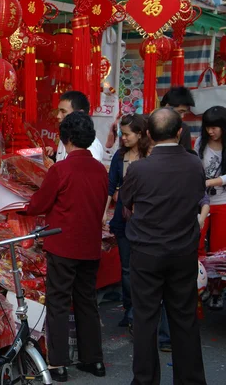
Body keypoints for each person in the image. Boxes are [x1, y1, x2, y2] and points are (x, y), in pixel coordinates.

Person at [121, 107, 206, 385]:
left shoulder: (139, 168)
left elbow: (127, 203)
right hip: (182, 249)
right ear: (180, 133)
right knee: (184, 318)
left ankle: (145, 380)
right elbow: (196, 199)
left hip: (147, 250)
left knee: (146, 319)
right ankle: (191, 380)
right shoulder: (194, 164)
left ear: (147, 134)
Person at [26, 112, 108, 382]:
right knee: (86, 301)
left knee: (59, 302)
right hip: (90, 244)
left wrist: (24, 207)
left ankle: (58, 364)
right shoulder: (99, 169)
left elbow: (39, 204)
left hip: (63, 244)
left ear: (67, 138)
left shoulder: (60, 169)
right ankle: (94, 360)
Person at [103, 114, 150, 328]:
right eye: (122, 134)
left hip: (146, 219)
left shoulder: (149, 155)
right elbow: (110, 186)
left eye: (127, 134)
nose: (123, 138)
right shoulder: (119, 156)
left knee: (143, 267)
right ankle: (129, 308)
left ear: (140, 134)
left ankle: (141, 309)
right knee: (126, 267)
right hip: (123, 217)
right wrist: (105, 213)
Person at [194, 105, 226, 310]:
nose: (210, 131)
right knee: (196, 244)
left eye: (215, 127)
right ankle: (199, 285)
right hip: (200, 202)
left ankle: (217, 290)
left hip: (223, 203)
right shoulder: (200, 143)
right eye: (207, 127)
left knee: (219, 250)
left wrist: (209, 182)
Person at [45, 91, 104, 162]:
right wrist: (52, 156)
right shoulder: (66, 136)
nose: (58, 116)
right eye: (58, 111)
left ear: (80, 113)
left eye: (63, 112)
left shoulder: (92, 146)